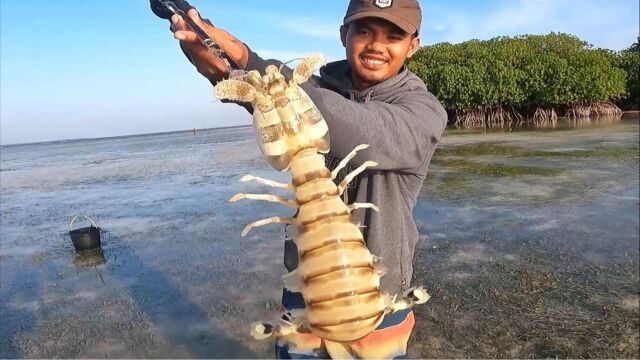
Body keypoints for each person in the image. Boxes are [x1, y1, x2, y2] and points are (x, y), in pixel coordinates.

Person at [170, 0, 447, 358]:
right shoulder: (313, 88)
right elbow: (270, 102)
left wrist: (248, 59)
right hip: (308, 295)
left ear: (413, 45)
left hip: (376, 300)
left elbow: (362, 131)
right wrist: (220, 66)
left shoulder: (424, 112)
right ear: (343, 34)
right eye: (365, 30)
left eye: (394, 36)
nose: (377, 45)